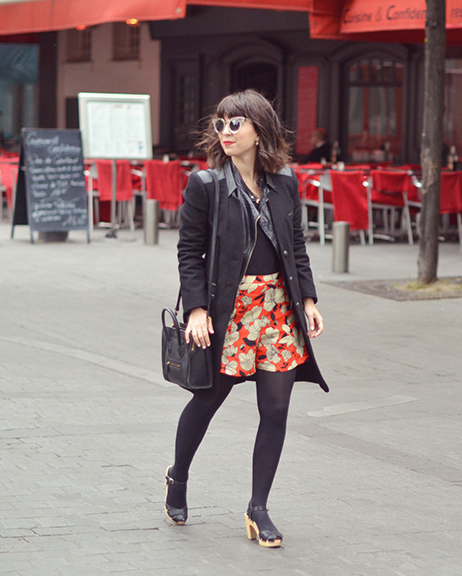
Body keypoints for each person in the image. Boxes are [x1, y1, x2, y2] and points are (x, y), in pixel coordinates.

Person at [165, 89, 328, 549]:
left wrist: (309, 301)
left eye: (235, 123)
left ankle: (259, 508)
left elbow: (295, 247)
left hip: (278, 308)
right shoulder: (206, 185)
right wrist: (196, 308)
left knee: (276, 408)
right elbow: (188, 253)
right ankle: (178, 477)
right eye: (220, 123)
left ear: (259, 129)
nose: (226, 132)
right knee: (207, 400)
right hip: (228, 311)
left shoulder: (285, 182)